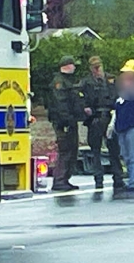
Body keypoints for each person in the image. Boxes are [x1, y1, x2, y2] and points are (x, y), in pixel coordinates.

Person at [81, 56, 125, 190]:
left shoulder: (112, 80)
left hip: (110, 117)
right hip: (95, 118)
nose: (97, 70)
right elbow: (80, 99)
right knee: (95, 151)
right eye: (94, 68)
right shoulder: (86, 82)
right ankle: (98, 179)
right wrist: (85, 109)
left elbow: (120, 96)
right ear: (90, 69)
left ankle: (118, 178)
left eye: (98, 67)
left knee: (114, 150)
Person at [107, 60, 134, 193]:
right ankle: (131, 179)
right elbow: (117, 111)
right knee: (125, 155)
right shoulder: (122, 94)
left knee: (132, 155)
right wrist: (112, 125)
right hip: (121, 128)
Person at [48, 55, 86, 191]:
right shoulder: (59, 83)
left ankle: (65, 179)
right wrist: (67, 121)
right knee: (65, 151)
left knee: (72, 150)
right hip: (63, 123)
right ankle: (59, 180)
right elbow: (61, 105)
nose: (75, 67)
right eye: (73, 65)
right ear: (66, 66)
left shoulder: (67, 81)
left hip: (70, 122)